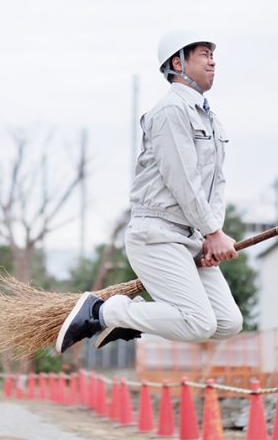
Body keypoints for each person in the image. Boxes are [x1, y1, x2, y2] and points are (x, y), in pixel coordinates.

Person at [56, 29, 243, 354]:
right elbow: (182, 179)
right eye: (203, 54)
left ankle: (125, 319)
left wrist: (213, 235)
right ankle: (103, 311)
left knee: (228, 322)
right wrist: (212, 231)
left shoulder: (211, 121)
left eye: (213, 55)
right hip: (157, 235)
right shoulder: (170, 112)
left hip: (192, 238)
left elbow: (216, 185)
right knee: (200, 322)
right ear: (178, 62)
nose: (213, 61)